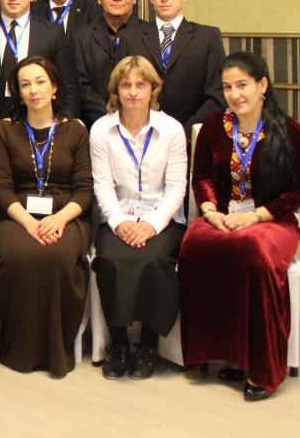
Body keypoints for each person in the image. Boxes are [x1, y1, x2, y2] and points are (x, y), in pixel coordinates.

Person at [179, 52, 300, 401]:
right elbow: (203, 178)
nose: (235, 94)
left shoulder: (289, 130)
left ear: (262, 85)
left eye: (242, 85)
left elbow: (297, 192)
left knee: (252, 253)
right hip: (222, 217)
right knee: (195, 246)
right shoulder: (212, 128)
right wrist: (210, 213)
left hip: (272, 221)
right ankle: (226, 353)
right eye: (227, 87)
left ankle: (262, 367)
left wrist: (253, 218)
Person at [0, 55, 92, 376]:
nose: (33, 90)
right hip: (17, 213)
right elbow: (1, 188)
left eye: (40, 81)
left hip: (67, 213)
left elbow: (84, 190)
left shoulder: (75, 130)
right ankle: (20, 349)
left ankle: (57, 350)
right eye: (25, 84)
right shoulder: (5, 131)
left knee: (59, 257)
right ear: (17, 92)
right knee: (20, 256)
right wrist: (31, 223)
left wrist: (59, 221)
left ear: (55, 86)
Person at [89, 56, 187, 379]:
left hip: (162, 219)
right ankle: (118, 345)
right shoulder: (102, 130)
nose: (133, 92)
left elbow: (176, 190)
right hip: (118, 216)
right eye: (126, 84)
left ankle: (147, 346)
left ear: (152, 89)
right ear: (116, 89)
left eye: (140, 84)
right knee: (113, 260)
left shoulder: (172, 130)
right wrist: (120, 223)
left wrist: (150, 226)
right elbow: (102, 186)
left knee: (153, 259)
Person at [131, 0, 226, 130]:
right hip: (140, 134)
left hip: (191, 134)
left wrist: (185, 134)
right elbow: (122, 89)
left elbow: (217, 95)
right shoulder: (131, 37)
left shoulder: (208, 37)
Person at [73, 0, 143, 126]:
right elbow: (81, 86)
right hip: (96, 125)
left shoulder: (149, 34)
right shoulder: (80, 36)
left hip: (141, 125)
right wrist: (109, 118)